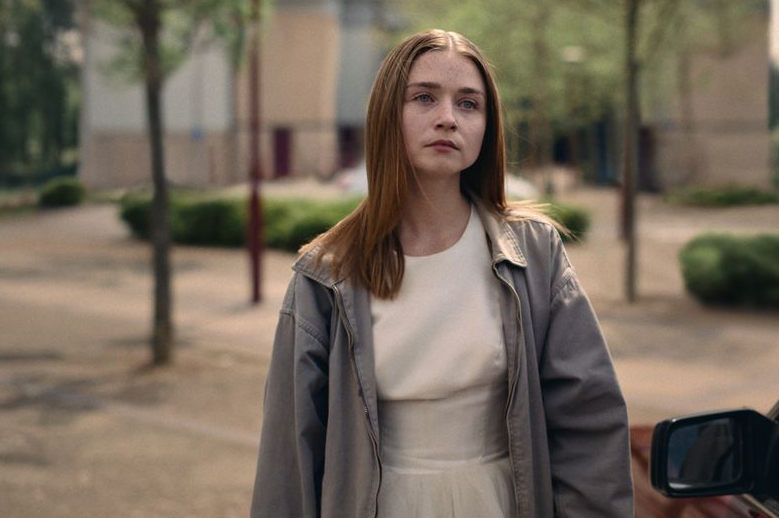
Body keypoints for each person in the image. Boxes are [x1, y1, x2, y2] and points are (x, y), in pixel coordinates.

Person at [250, 29, 632, 518]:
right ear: (389, 113)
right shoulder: (325, 276)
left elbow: (590, 422)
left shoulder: (535, 254)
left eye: (468, 104)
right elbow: (289, 457)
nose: (448, 118)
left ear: (486, 126)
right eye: (425, 98)